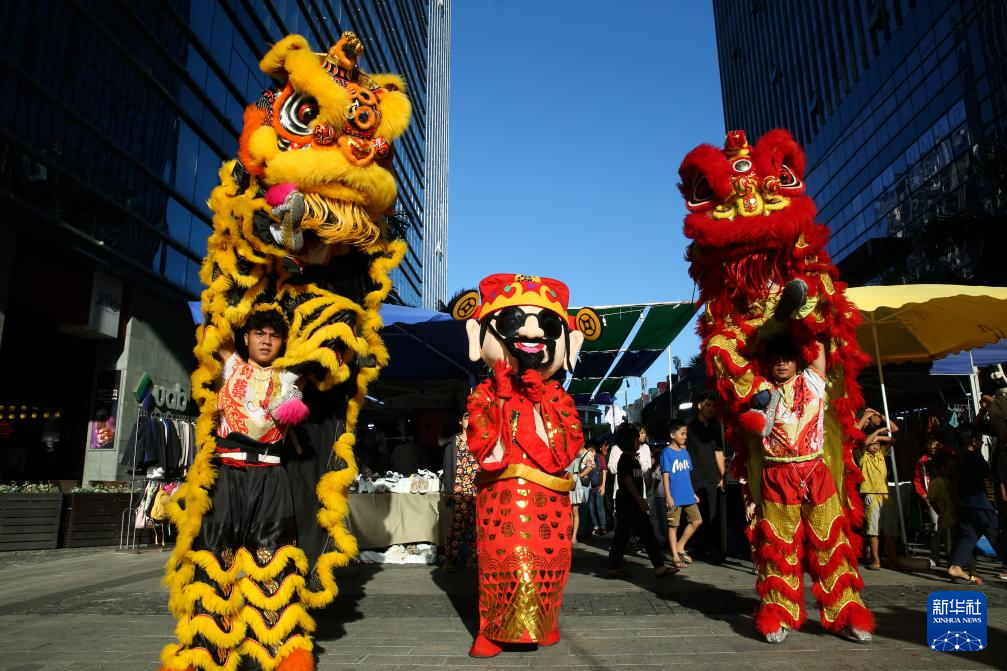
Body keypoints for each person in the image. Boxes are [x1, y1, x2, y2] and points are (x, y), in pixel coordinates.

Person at [460, 273, 597, 657]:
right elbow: (484, 448)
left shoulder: (558, 397)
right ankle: (491, 631)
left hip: (547, 504)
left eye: (548, 326)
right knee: (499, 566)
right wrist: (504, 402)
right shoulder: (484, 394)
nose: (532, 331)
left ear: (568, 345)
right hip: (499, 500)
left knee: (542, 567)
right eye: (512, 322)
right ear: (477, 336)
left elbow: (565, 448)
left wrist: (538, 404)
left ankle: (541, 625)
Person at [170, 310, 313, 665]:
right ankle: (206, 654)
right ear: (245, 337)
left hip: (271, 479)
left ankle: (275, 657)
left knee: (273, 562)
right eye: (259, 333)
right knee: (215, 559)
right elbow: (213, 320)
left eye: (274, 335)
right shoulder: (230, 363)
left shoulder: (290, 374)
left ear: (283, 342)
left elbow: (332, 347)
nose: (266, 340)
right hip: (226, 477)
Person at [748, 335, 873, 644]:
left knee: (832, 545)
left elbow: (818, 344)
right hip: (777, 477)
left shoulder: (813, 381)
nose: (781, 363)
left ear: (798, 360)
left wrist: (806, 310)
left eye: (787, 357)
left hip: (816, 473)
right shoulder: (759, 390)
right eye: (775, 358)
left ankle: (846, 614)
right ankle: (778, 615)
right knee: (778, 550)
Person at [607, 422, 675, 578]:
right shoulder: (626, 459)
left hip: (632, 503)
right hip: (629, 503)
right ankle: (615, 567)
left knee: (642, 534)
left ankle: (658, 566)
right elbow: (629, 482)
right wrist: (641, 501)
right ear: (629, 441)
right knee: (626, 535)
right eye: (636, 439)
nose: (639, 442)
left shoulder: (632, 458)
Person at [948, 429, 1002, 584]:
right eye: (980, 440)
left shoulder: (959, 457)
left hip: (966, 503)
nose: (982, 442)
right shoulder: (975, 457)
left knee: (969, 536)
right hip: (981, 503)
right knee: (996, 535)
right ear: (973, 441)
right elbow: (989, 477)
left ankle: (956, 566)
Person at [857, 408, 901, 570]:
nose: (876, 447)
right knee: (873, 530)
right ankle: (876, 559)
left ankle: (893, 559)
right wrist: (876, 433)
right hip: (871, 494)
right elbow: (864, 443)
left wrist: (878, 434)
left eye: (877, 445)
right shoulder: (862, 455)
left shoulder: (881, 453)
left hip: (885, 494)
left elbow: (893, 438)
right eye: (873, 444)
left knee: (889, 530)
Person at [686, 394, 726, 560]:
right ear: (699, 406)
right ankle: (699, 548)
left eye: (713, 406)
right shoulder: (690, 426)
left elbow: (719, 452)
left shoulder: (716, 426)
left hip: (712, 477)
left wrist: (723, 476)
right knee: (699, 515)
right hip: (695, 477)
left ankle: (711, 548)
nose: (711, 409)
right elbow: (683, 452)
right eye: (708, 405)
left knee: (713, 514)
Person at [662, 420, 702, 569]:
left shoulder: (685, 452)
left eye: (686, 434)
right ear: (672, 435)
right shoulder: (666, 452)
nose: (685, 436)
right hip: (674, 496)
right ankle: (675, 556)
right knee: (673, 526)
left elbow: (686, 475)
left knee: (697, 521)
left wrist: (692, 493)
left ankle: (680, 546)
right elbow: (665, 475)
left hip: (687, 494)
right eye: (682, 434)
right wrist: (668, 495)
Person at [443, 413, 478, 571]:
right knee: (457, 527)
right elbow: (447, 467)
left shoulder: (478, 440)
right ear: (460, 421)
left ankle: (472, 559)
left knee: (474, 528)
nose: (469, 420)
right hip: (459, 491)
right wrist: (448, 490)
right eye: (466, 417)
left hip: (476, 490)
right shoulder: (453, 442)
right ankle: (448, 560)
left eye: (471, 417)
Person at [914, 435, 948, 564]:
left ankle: (951, 555)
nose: (932, 446)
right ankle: (935, 556)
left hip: (947, 497)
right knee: (935, 527)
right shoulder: (922, 462)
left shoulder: (946, 457)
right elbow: (917, 481)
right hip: (932, 498)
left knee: (949, 527)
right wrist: (924, 496)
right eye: (930, 443)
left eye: (935, 443)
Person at [926, 451, 959, 569]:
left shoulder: (954, 481)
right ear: (942, 467)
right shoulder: (936, 482)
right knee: (949, 543)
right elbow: (932, 500)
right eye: (950, 467)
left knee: (957, 541)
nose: (952, 470)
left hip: (957, 517)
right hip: (947, 518)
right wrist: (940, 512)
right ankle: (951, 564)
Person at [568, 444, 592, 542]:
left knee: (576, 510)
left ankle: (575, 536)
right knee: (569, 510)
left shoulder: (586, 453)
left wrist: (580, 475)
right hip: (568, 480)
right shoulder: (570, 450)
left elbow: (590, 467)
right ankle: (570, 535)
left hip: (577, 481)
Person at [584, 440, 607, 535]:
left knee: (599, 507)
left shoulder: (600, 457)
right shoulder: (588, 458)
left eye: (589, 450)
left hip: (598, 486)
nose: (588, 451)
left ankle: (602, 527)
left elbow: (604, 471)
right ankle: (595, 526)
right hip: (590, 486)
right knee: (591, 507)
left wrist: (603, 486)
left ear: (593, 449)